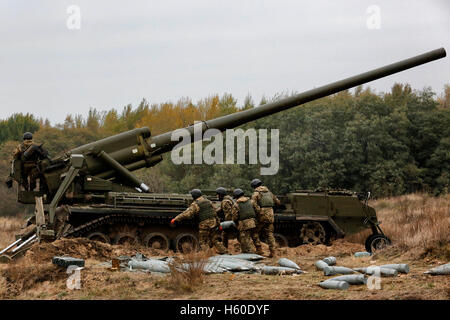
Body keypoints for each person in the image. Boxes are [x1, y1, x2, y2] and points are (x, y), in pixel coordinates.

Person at [171, 189, 227, 254]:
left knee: (203, 241)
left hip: (205, 224)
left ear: (194, 196)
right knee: (214, 239)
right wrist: (218, 224)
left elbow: (187, 214)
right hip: (214, 222)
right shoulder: (208, 201)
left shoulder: (196, 204)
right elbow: (214, 213)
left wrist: (176, 219)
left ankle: (208, 255)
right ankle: (224, 252)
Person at [251, 178, 281, 258]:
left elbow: (253, 204)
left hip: (262, 215)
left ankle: (259, 250)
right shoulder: (269, 192)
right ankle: (273, 252)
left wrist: (258, 211)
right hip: (270, 214)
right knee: (270, 234)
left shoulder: (256, 194)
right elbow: (278, 202)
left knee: (254, 232)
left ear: (254, 186)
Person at [231, 188, 262, 254]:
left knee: (244, 239)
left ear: (236, 197)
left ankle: (247, 253)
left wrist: (237, 223)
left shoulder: (236, 205)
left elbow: (235, 217)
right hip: (253, 222)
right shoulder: (251, 201)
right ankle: (259, 250)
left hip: (243, 224)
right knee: (255, 236)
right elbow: (258, 210)